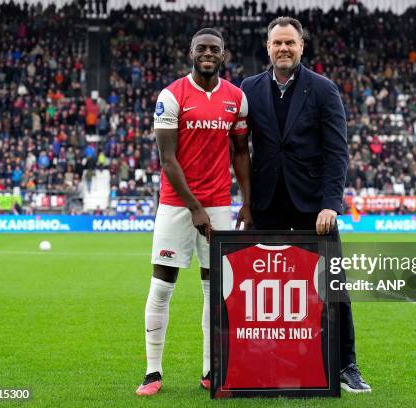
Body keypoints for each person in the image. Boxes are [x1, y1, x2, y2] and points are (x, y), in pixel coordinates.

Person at [240, 16, 371, 393]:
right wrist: (246, 203)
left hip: (314, 208)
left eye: (290, 43)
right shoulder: (248, 89)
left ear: (301, 47)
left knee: (333, 287)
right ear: (267, 47)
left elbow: (337, 152)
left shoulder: (324, 89)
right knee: (263, 289)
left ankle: (346, 363)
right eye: (277, 43)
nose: (283, 48)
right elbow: (239, 149)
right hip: (266, 205)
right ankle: (262, 360)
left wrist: (331, 204)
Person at [136, 28, 252, 396]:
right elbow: (167, 160)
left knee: (213, 288)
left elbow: (240, 153)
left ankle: (210, 369)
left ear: (223, 54)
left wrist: (246, 201)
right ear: (191, 52)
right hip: (176, 205)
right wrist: (195, 208)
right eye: (201, 48)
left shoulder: (237, 98)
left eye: (214, 49)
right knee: (161, 286)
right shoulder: (171, 96)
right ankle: (153, 372)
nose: (208, 53)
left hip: (219, 204)